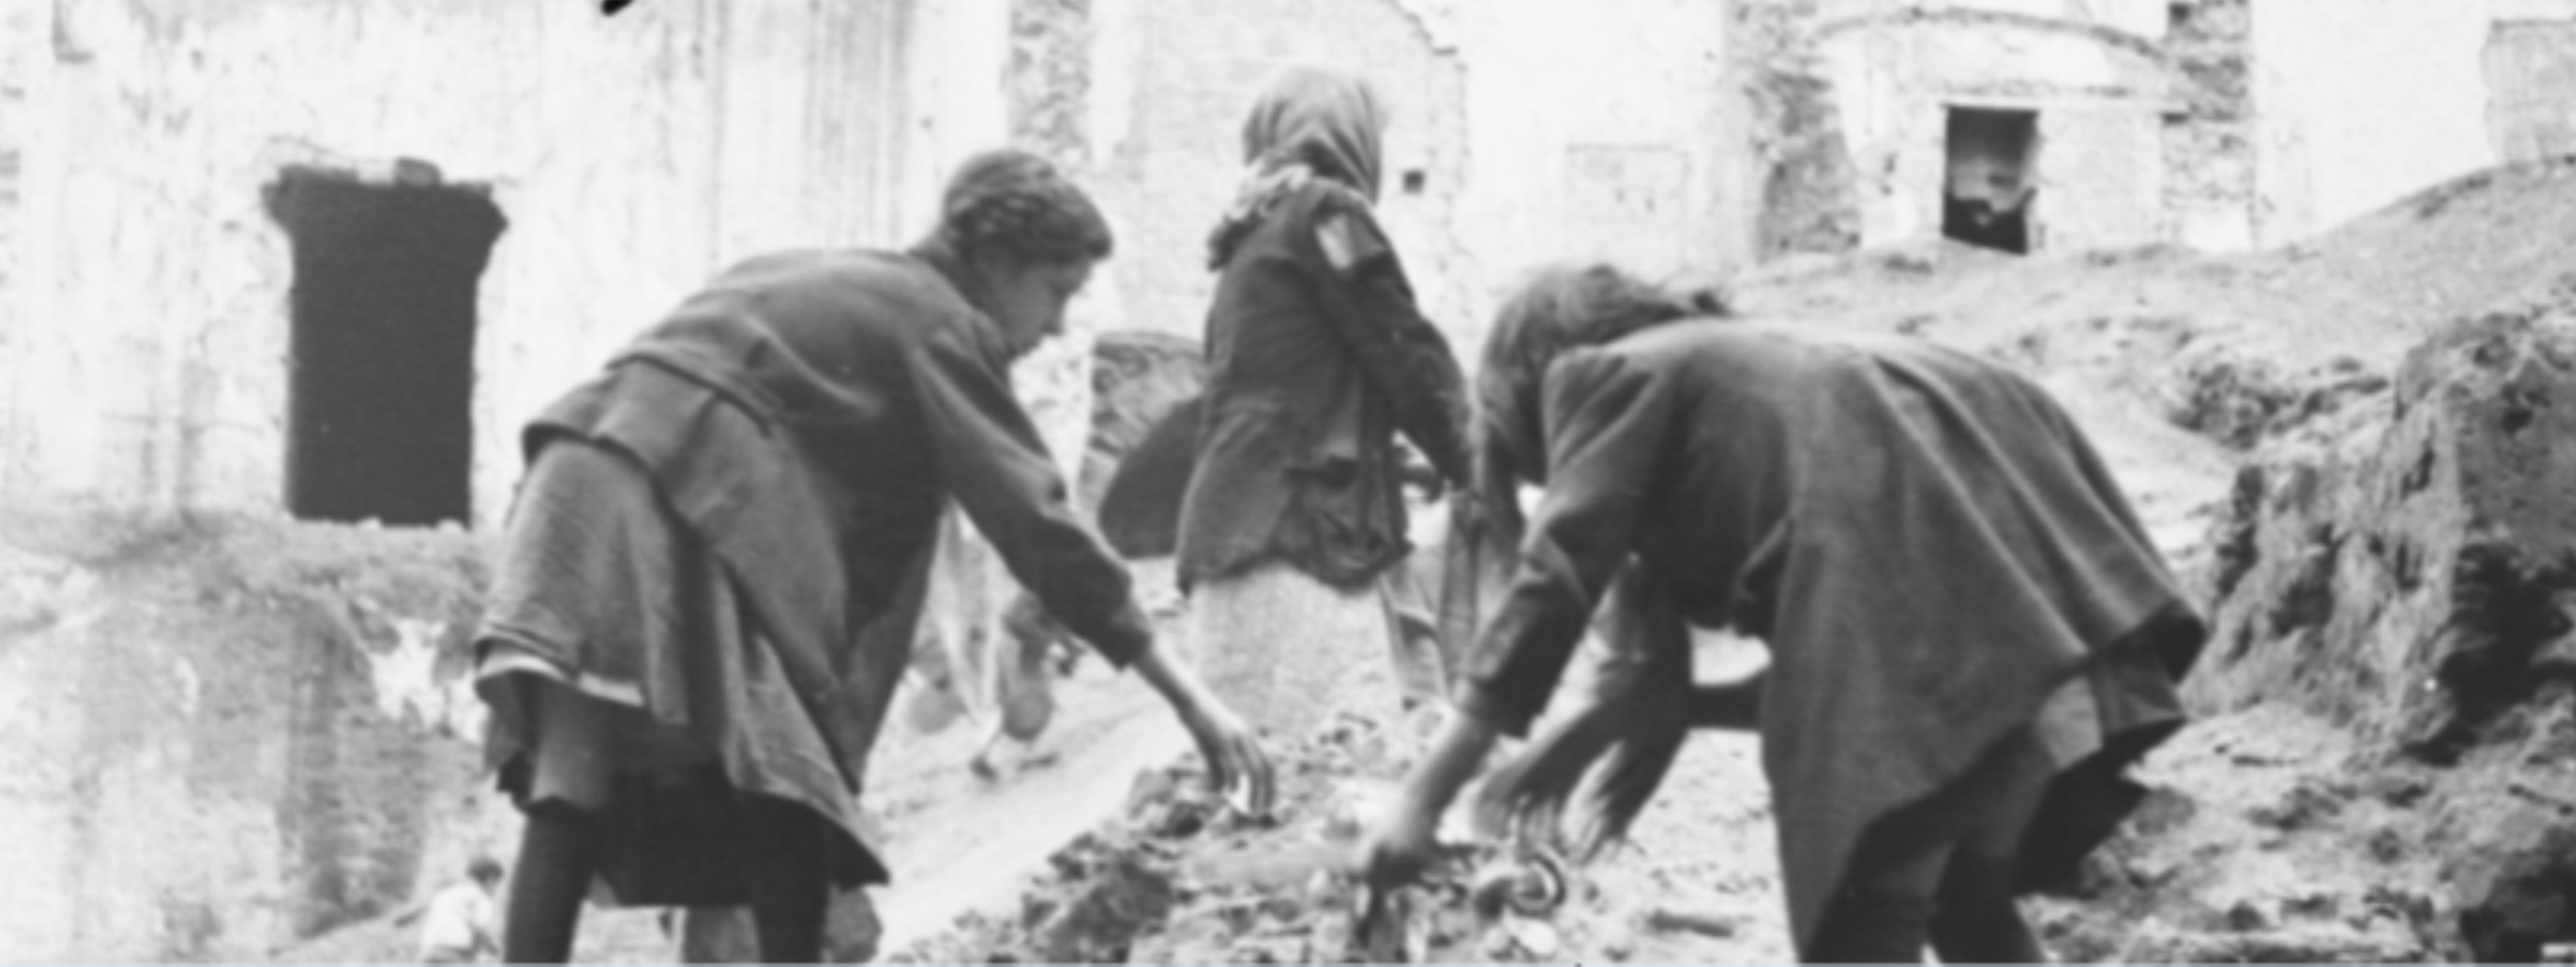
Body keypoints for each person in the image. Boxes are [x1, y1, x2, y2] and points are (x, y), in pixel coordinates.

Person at [472, 149, 1275, 963]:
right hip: (670, 496)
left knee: (572, 778)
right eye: (1056, 290)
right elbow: (1037, 522)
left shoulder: (823, 275)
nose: (1058, 325)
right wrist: (1191, 699)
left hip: (571, 484)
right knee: (790, 793)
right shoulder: (941, 319)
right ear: (998, 263)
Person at [1360, 264, 2206, 963]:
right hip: (2047, 645)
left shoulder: (1607, 372)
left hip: (1957, 654)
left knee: (1860, 935)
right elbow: (1835, 687)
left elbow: (1554, 581)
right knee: (1971, 911)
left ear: (1529, 380)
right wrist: (1624, 720)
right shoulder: (1752, 378)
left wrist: (1420, 801)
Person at [1176, 65, 1476, 740]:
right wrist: (1480, 460)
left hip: (1233, 538)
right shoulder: (1327, 214)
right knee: (1330, 767)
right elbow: (1405, 350)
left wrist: (1396, 459)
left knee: (1264, 774)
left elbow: (1286, 395)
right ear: (1353, 137)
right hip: (1294, 546)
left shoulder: (1251, 237)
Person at [414, 856, 503, 964]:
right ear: (491, 880)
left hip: (429, 953)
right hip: (456, 954)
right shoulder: (481, 896)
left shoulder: (448, 892)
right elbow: (480, 928)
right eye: (497, 885)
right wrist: (495, 949)